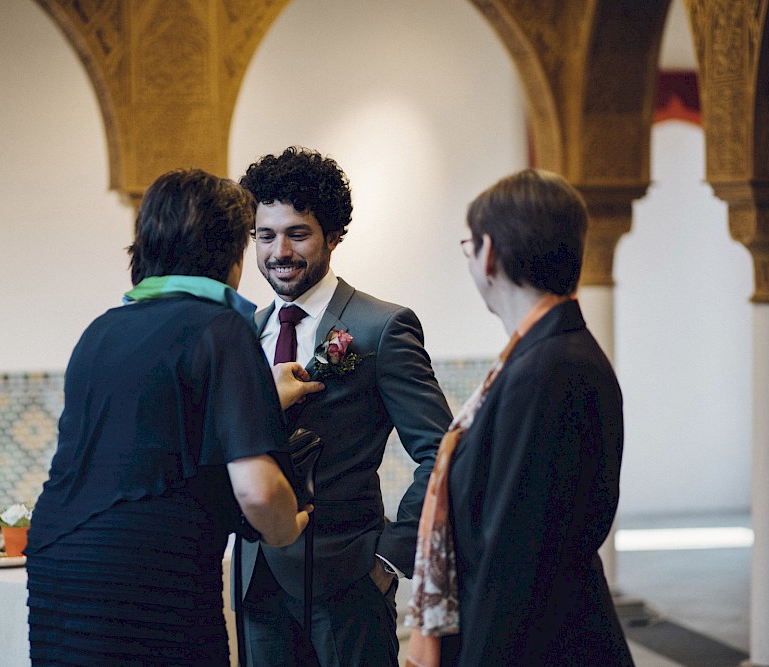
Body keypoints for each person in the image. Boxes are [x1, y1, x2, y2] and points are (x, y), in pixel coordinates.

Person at [25, 168, 323, 665]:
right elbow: (259, 489)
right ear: (229, 253)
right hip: (152, 575)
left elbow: (157, 423)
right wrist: (286, 530)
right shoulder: (223, 327)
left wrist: (259, 397)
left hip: (58, 563)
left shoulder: (101, 330)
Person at [405, 168, 634, 666]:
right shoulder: (540, 355)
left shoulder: (549, 367)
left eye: (470, 246)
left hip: (545, 645)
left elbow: (516, 557)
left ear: (490, 254)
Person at [236, 146, 453, 666]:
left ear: (333, 236)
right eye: (265, 236)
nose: (279, 251)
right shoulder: (242, 332)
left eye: (298, 233)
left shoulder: (382, 326)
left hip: (349, 580)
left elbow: (443, 452)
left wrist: (391, 556)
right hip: (256, 580)